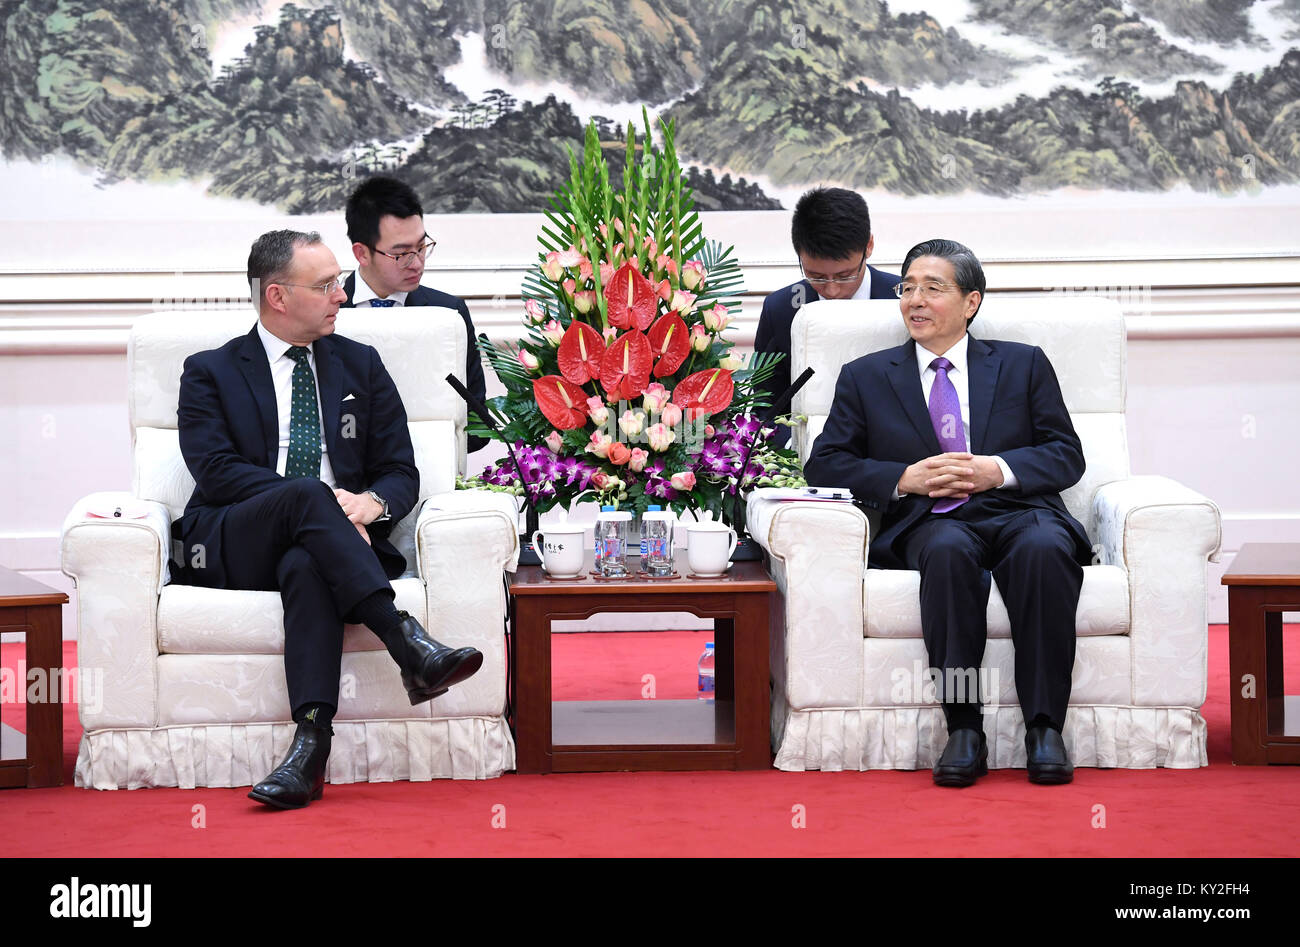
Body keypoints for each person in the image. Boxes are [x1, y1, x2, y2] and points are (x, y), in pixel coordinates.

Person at [173, 229, 483, 809]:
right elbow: (216, 471)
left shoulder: (360, 366)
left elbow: (399, 471)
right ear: (277, 297)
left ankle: (310, 746)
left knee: (308, 562)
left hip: (333, 545)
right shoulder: (210, 371)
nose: (343, 296)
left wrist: (368, 505)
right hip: (233, 537)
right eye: (325, 286)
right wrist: (322, 501)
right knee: (311, 496)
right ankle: (405, 641)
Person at [803, 238, 1091, 787]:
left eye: (933, 288)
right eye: (907, 288)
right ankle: (964, 729)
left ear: (971, 302)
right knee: (949, 553)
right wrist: (900, 478)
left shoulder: (1022, 364)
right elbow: (825, 464)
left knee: (1043, 549)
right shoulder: (867, 376)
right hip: (933, 521)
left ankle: (1044, 727)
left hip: (1019, 510)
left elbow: (1065, 454)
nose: (914, 299)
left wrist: (997, 470)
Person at [342, 175, 488, 452]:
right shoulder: (329, 314)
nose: (417, 263)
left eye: (421, 247)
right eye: (401, 254)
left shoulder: (448, 314)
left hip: (432, 468)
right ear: (362, 254)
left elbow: (478, 426)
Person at [754, 187, 900, 441]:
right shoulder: (780, 309)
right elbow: (766, 408)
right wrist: (796, 447)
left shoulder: (904, 300)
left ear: (869, 246)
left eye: (846, 275)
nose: (832, 290)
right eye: (817, 277)